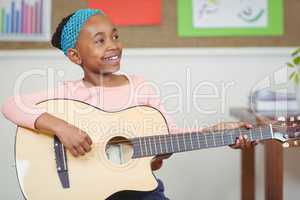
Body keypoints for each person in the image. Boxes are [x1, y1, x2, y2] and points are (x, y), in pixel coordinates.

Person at [1, 8, 256, 200]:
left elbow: (171, 136)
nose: (113, 45)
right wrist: (61, 128)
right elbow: (12, 104)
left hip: (140, 191)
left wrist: (219, 133)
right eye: (100, 40)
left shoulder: (139, 86)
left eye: (115, 36)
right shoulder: (69, 94)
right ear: (75, 55)